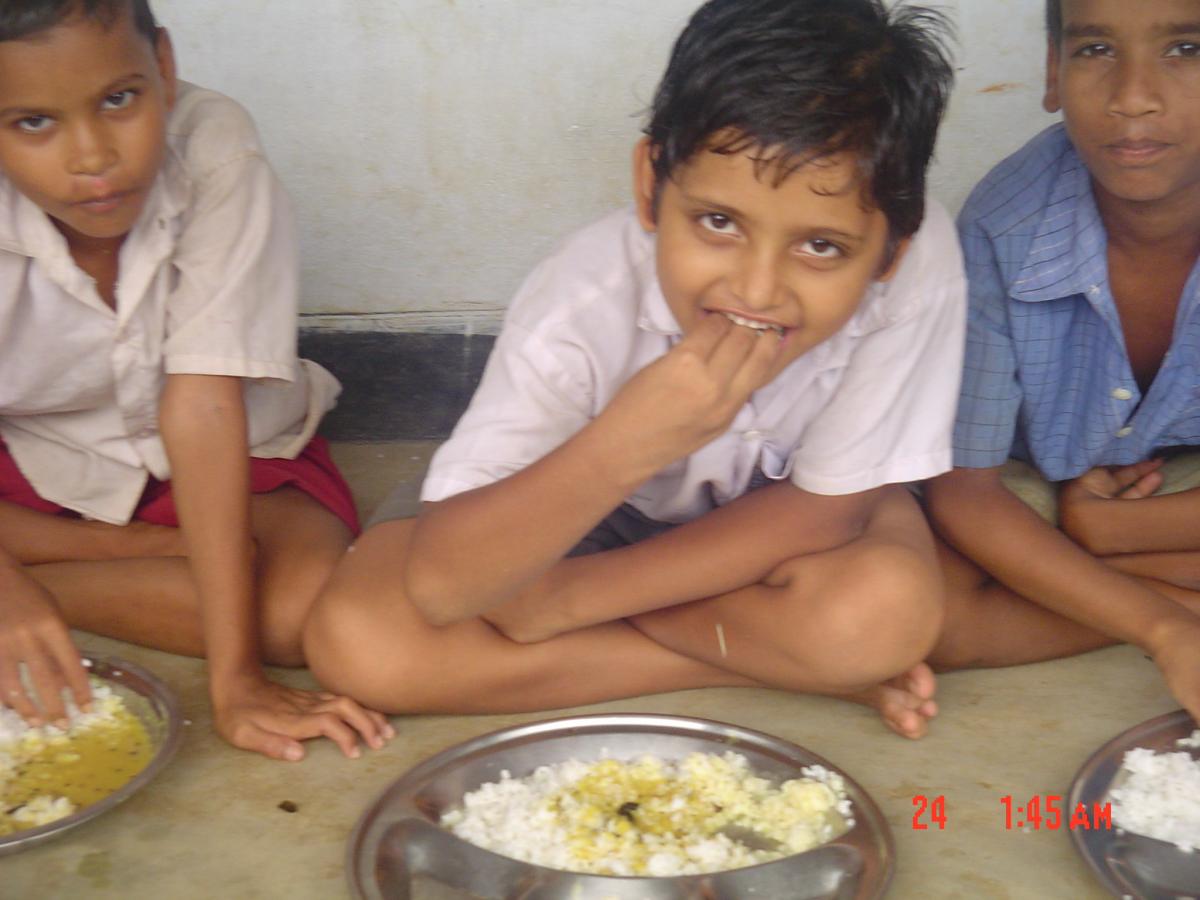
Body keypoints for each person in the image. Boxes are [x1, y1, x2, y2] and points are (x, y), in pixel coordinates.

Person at [305, 0, 963, 739]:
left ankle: (787, 655)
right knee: (359, 641)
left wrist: (563, 603)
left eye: (821, 247)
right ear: (651, 185)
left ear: (894, 248)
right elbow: (444, 584)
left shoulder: (920, 267)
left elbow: (826, 510)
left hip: (774, 523)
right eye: (719, 222)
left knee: (881, 616)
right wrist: (629, 441)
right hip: (578, 514)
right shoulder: (582, 298)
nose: (756, 290)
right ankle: (776, 666)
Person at [0, 0, 393, 760]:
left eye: (120, 99)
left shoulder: (214, 149)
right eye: (33, 123)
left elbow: (204, 404)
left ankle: (55, 571)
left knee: (297, 618)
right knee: (241, 595)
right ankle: (93, 558)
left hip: (234, 446)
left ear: (164, 66)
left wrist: (236, 680)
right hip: (40, 456)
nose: (92, 157)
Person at [924, 0, 1200, 723]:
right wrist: (1165, 629)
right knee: (925, 615)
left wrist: (1116, 531)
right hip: (1032, 491)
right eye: (1095, 49)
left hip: (1153, 500)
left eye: (1187, 49)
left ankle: (1106, 568)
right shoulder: (1003, 228)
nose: (1133, 97)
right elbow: (965, 494)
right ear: (1053, 72)